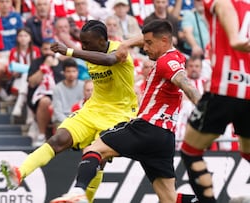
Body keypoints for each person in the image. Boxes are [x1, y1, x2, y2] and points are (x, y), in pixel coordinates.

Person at [50, 19, 202, 203]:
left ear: (164, 41)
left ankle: (78, 192)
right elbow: (152, 40)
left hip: (147, 128)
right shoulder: (176, 56)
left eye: (148, 44)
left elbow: (185, 84)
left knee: (94, 149)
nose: (145, 48)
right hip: (164, 138)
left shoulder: (166, 62)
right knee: (169, 198)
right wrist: (126, 44)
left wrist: (203, 110)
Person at [0, 20, 139, 203]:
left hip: (120, 115)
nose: (84, 46)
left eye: (87, 43)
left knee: (96, 157)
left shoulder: (118, 51)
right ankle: (20, 172)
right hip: (93, 110)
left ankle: (83, 197)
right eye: (82, 42)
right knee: (59, 139)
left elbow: (109, 60)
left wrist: (70, 51)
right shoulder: (91, 51)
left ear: (102, 40)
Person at [180, 0, 250, 202]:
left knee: (190, 151)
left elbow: (223, 5)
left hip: (225, 88)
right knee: (247, 152)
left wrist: (235, 38)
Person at [25, 39, 65, 146]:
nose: (48, 52)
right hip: (40, 95)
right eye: (45, 49)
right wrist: (45, 67)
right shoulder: (36, 63)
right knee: (45, 101)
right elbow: (32, 83)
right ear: (41, 50)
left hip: (61, 96)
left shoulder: (62, 64)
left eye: (50, 49)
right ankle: (41, 135)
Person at [52, 58, 84, 127]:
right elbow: (58, 112)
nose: (71, 74)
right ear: (63, 72)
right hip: (62, 120)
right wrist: (69, 122)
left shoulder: (83, 86)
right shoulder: (57, 88)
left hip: (79, 119)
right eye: (68, 71)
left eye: (74, 71)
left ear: (77, 72)